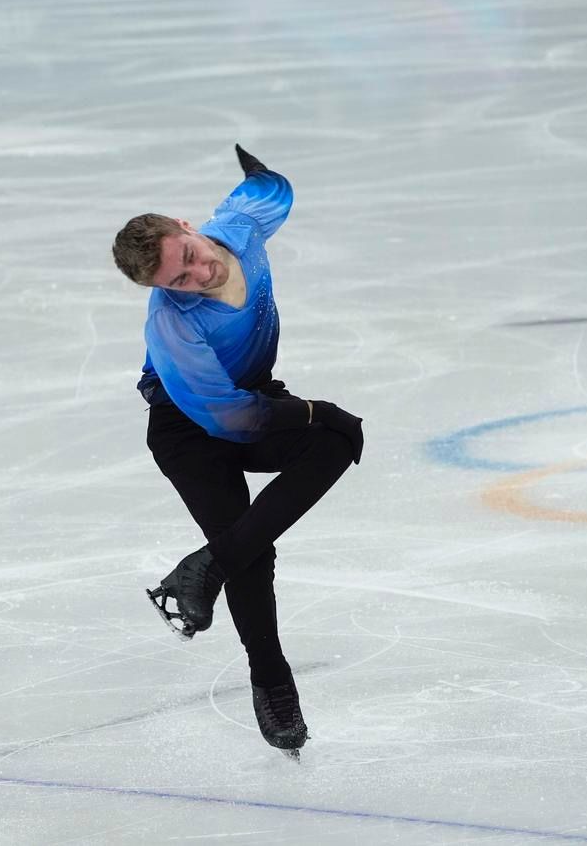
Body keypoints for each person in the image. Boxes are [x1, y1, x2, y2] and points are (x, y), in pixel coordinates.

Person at [111, 144, 363, 758]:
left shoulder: (239, 230)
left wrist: (262, 175)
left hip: (247, 398)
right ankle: (271, 680)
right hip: (189, 430)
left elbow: (270, 194)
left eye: (190, 257)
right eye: (178, 279)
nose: (198, 275)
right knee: (255, 553)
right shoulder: (172, 323)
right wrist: (311, 410)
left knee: (339, 439)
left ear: (187, 226)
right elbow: (226, 417)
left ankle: (205, 567)